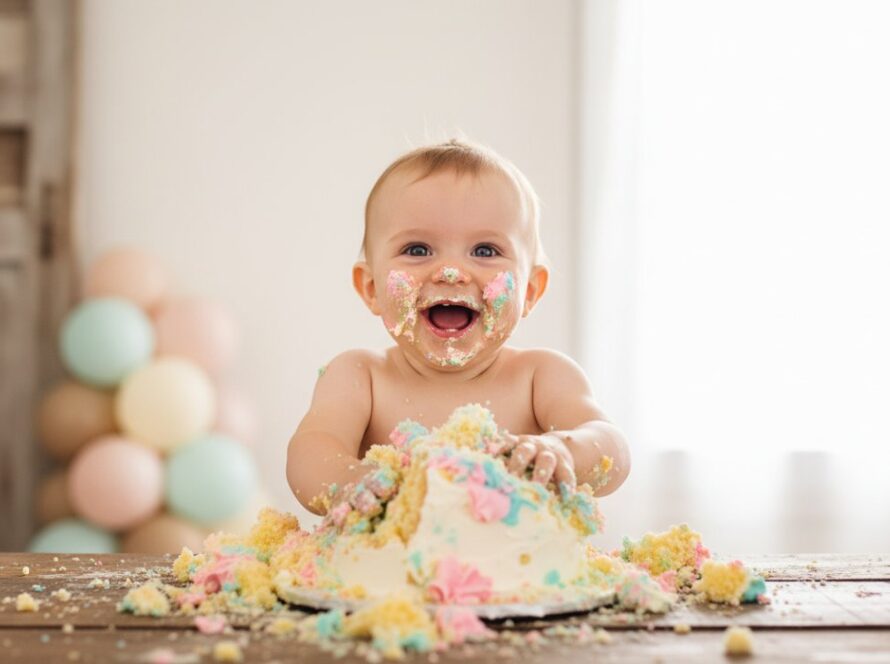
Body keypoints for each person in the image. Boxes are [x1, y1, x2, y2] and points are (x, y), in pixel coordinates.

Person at [287, 139, 629, 514]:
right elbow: (310, 452)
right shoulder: (359, 376)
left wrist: (562, 450)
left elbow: (611, 448)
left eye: (485, 251)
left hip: (523, 568)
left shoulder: (541, 376)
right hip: (387, 567)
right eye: (418, 250)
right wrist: (348, 481)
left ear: (530, 290)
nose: (451, 272)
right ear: (371, 288)